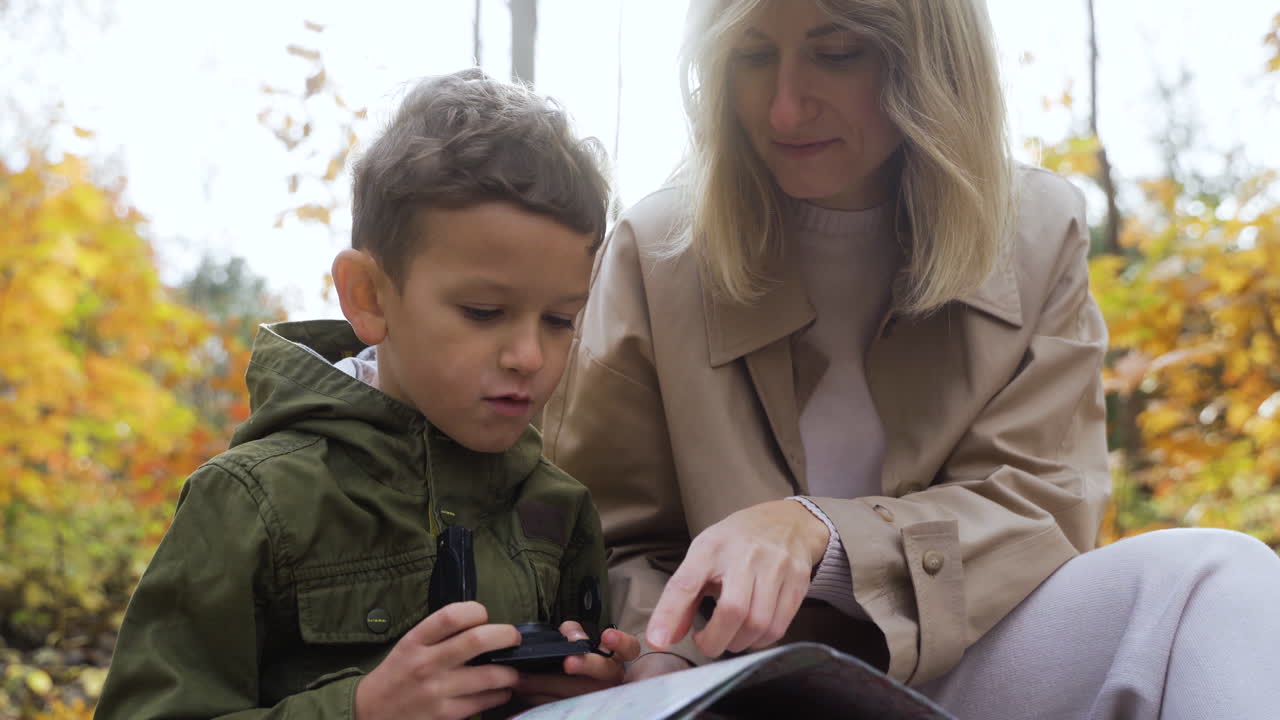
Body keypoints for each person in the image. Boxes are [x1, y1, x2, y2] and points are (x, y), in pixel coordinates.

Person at [541, 0, 1280, 717]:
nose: (785, 108)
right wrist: (659, 656)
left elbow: (1042, 506)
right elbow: (614, 533)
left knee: (1223, 580)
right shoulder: (659, 247)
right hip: (731, 680)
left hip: (977, 657)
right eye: (753, 56)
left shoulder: (1038, 230)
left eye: (837, 54)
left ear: (928, 62)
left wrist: (817, 532)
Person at [94, 68, 640, 720]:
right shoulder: (253, 503)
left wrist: (600, 694)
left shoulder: (558, 507)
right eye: (482, 311)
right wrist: (360, 710)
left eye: (560, 320)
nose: (529, 356)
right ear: (370, 297)